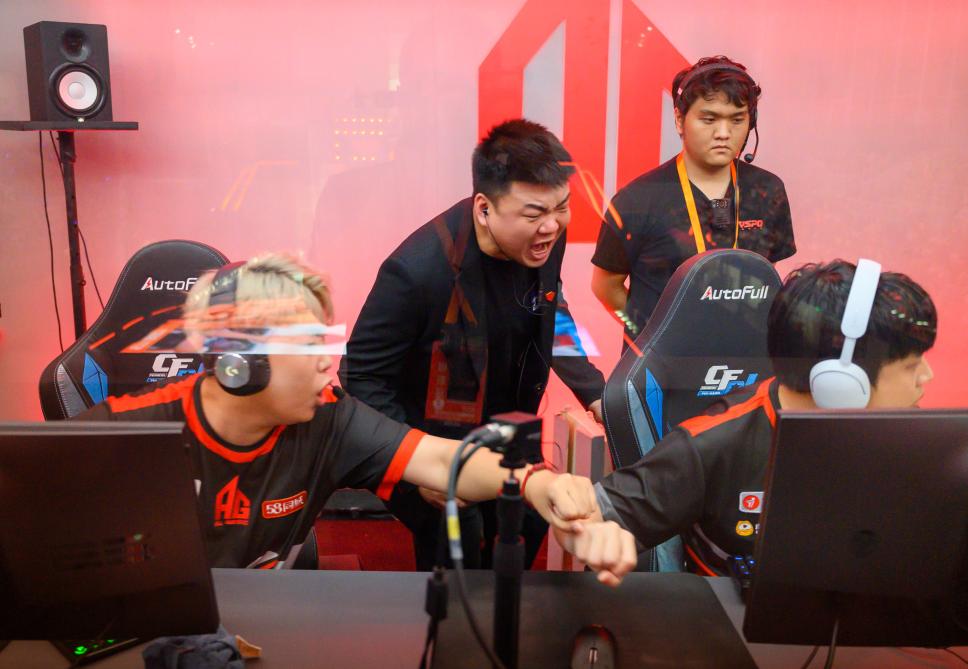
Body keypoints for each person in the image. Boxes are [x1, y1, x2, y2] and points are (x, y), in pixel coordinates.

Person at [75, 253, 635, 584]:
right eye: (308, 345)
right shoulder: (123, 435)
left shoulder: (329, 419)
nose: (328, 361)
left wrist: (540, 485)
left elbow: (444, 460)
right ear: (239, 364)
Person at [339, 119, 607, 570]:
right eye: (533, 214)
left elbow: (551, 313)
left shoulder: (543, 242)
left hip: (504, 425)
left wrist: (597, 393)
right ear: (484, 208)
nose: (551, 226)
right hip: (426, 435)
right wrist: (415, 463)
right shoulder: (416, 271)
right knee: (458, 542)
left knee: (528, 523)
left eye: (562, 207)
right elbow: (361, 376)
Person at [591, 260, 937, 574]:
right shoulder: (714, 444)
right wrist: (589, 526)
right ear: (841, 381)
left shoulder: (918, 440)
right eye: (910, 366)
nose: (927, 376)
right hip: (734, 616)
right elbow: (598, 515)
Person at [591, 55, 796, 343]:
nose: (723, 133)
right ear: (679, 119)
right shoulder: (637, 200)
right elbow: (605, 286)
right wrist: (650, 337)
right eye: (709, 119)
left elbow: (764, 275)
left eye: (737, 119)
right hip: (664, 363)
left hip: (744, 356)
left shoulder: (767, 189)